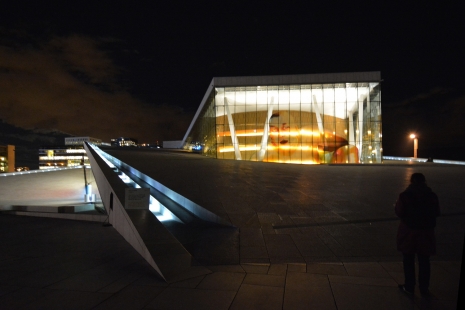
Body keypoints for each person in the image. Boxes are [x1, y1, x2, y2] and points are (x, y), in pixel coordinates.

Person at [395, 173, 440, 297]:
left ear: (411, 181)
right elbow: (437, 212)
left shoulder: (405, 196)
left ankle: (409, 287)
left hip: (409, 232)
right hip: (426, 232)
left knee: (408, 260)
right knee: (424, 261)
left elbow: (399, 212)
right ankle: (424, 289)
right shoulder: (431, 196)